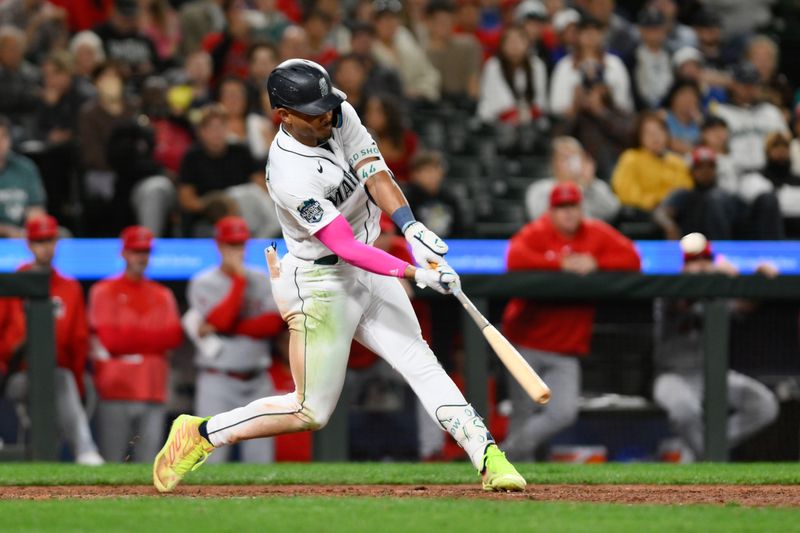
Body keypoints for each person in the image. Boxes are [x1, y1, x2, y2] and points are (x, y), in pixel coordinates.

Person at [153, 58, 526, 493]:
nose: (326, 114)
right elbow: (343, 246)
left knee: (420, 360)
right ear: (284, 115)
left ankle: (488, 456)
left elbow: (375, 172)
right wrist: (412, 271)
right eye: (314, 110)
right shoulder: (288, 172)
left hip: (370, 262)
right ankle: (201, 434)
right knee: (310, 411)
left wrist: (411, 227)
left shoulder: (339, 113)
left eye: (327, 105)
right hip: (320, 282)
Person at [501, 182, 641, 460]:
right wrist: (559, 264)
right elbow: (514, 257)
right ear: (551, 211)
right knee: (522, 414)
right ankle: (513, 483)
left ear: (581, 208)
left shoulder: (595, 233)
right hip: (525, 342)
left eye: (572, 206)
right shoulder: (538, 231)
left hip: (566, 349)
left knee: (563, 413)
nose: (567, 213)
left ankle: (504, 454)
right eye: (561, 207)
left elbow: (632, 258)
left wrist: (597, 262)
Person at [653, 233, 779, 461]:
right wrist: (717, 277)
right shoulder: (670, 288)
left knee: (763, 405)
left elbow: (745, 305)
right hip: (673, 376)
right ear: (684, 266)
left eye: (704, 260)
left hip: (712, 374)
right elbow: (682, 304)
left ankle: (700, 451)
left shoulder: (718, 292)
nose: (700, 266)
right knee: (685, 411)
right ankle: (706, 454)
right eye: (693, 261)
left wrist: (759, 279)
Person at [2, 215, 104, 465]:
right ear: (29, 244)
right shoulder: (13, 282)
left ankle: (85, 451)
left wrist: (79, 385)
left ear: (57, 242)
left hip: (57, 376)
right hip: (15, 376)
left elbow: (79, 341)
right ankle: (84, 449)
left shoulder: (69, 286)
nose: (44, 247)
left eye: (49, 240)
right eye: (38, 241)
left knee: (63, 379)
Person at [186, 216, 283, 463]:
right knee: (210, 459)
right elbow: (222, 321)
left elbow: (272, 324)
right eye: (231, 245)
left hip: (258, 380)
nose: (236, 251)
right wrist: (238, 281)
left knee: (261, 462)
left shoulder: (262, 278)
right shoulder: (203, 281)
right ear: (219, 246)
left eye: (240, 245)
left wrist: (229, 328)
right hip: (217, 380)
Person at [88, 226, 183, 462]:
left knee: (147, 464)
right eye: (135, 251)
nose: (141, 257)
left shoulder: (162, 294)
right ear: (124, 253)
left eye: (145, 251)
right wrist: (151, 340)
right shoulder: (103, 291)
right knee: (112, 463)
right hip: (115, 389)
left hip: (152, 388)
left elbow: (172, 337)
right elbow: (111, 341)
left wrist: (130, 339)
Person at [177, 104, 279, 238]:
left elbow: (260, 185)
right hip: (210, 216)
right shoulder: (192, 157)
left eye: (221, 127)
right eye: (212, 128)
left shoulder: (240, 151)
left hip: (245, 211)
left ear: (227, 129)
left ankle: (264, 239)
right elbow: (186, 199)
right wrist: (215, 206)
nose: (217, 133)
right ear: (201, 131)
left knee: (251, 194)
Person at [549, 14, 633, 118]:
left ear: (602, 35)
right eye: (586, 31)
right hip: (574, 124)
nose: (590, 35)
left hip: (610, 126)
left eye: (595, 31)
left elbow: (625, 105)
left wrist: (605, 99)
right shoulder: (565, 66)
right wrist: (576, 103)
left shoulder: (615, 64)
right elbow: (555, 108)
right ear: (578, 35)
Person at [712, 63, 787, 175]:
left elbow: (784, 142)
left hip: (769, 173)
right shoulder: (719, 111)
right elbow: (713, 146)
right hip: (734, 173)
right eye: (744, 83)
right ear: (733, 84)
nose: (749, 88)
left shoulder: (770, 111)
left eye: (753, 83)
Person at [653, 147, 743, 240]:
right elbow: (660, 213)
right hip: (689, 248)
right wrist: (670, 226)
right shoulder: (683, 194)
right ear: (691, 171)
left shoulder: (726, 196)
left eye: (710, 166)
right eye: (700, 166)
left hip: (720, 247)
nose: (705, 171)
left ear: (715, 169)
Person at [611, 112, 693, 213]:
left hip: (677, 210)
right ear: (639, 137)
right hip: (645, 212)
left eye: (659, 131)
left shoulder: (676, 161)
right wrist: (652, 201)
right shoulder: (631, 158)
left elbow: (686, 187)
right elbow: (625, 191)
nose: (655, 137)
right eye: (649, 133)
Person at [525, 136, 619, 222]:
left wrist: (588, 186)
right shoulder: (540, 189)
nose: (570, 164)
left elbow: (612, 211)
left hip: (590, 237)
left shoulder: (596, 186)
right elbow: (537, 216)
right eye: (565, 158)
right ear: (554, 162)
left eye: (574, 157)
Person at [477, 24, 548, 127]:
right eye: (509, 41)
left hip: (530, 119)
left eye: (519, 40)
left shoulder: (537, 65)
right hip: (498, 121)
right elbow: (492, 99)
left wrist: (526, 113)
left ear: (527, 43)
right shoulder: (493, 66)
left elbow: (540, 98)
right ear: (502, 45)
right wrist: (514, 114)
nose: (514, 45)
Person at [371, 0, 441, 102]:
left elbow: (431, 74)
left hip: (419, 101)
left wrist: (420, 91)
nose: (389, 23)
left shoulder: (405, 37)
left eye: (393, 18)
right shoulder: (370, 47)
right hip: (389, 104)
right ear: (374, 22)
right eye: (384, 19)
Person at [425, 0, 482, 105]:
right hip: (433, 106)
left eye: (448, 21)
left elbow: (473, 82)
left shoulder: (468, 45)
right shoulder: (422, 53)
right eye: (440, 22)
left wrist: (473, 104)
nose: (445, 27)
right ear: (429, 23)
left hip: (464, 103)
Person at [0, 115, 47, 238]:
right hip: (7, 232)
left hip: (21, 234)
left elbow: (36, 209)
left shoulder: (25, 168)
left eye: (3, 137)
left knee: (60, 234)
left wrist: (29, 231)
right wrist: (6, 230)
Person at [404, 150, 465, 238]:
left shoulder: (450, 199)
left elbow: (460, 229)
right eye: (427, 171)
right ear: (415, 175)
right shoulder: (407, 200)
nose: (432, 175)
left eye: (435, 170)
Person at [631, 8, 673, 110]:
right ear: (641, 30)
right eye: (649, 29)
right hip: (640, 110)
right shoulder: (632, 56)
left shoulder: (671, 54)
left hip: (668, 109)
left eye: (657, 28)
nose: (654, 34)